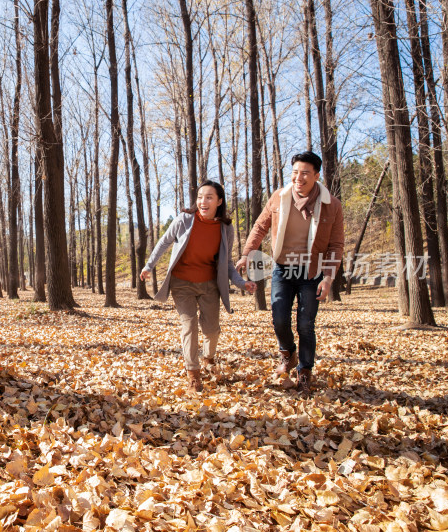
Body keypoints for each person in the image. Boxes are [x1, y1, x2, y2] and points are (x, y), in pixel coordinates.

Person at [235, 151, 344, 394]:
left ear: (316, 175)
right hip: (283, 269)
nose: (299, 177)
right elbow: (260, 226)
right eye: (295, 172)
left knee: (306, 324)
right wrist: (247, 253)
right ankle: (288, 354)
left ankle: (305, 372)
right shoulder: (279, 198)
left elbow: (336, 245)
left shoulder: (331, 205)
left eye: (305, 173)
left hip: (312, 271)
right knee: (279, 318)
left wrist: (328, 277)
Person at [141, 180, 256, 394]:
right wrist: (149, 266)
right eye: (200, 196)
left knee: (211, 330)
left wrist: (241, 283)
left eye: (209, 197)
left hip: (209, 284)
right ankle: (193, 374)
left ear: (219, 201)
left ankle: (208, 357)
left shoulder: (225, 228)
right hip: (182, 283)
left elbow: (227, 263)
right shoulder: (184, 220)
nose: (203, 201)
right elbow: (164, 242)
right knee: (189, 325)